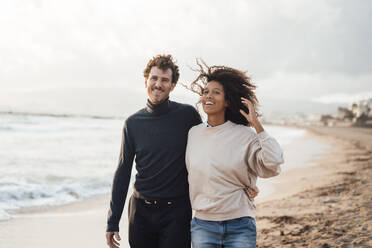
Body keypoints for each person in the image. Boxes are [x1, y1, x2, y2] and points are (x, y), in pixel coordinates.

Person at [105, 55, 202, 248]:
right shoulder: (132, 123)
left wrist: (239, 182)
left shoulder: (188, 116)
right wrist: (112, 220)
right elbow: (123, 172)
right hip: (140, 213)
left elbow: (208, 153)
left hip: (176, 212)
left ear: (173, 85)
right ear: (146, 81)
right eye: (154, 78)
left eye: (165, 80)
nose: (158, 84)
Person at [185, 60, 284, 248]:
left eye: (216, 92)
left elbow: (274, 162)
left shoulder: (244, 134)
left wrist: (256, 124)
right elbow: (196, 175)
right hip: (203, 225)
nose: (209, 96)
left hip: (240, 222)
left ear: (227, 101)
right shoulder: (193, 134)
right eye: (205, 92)